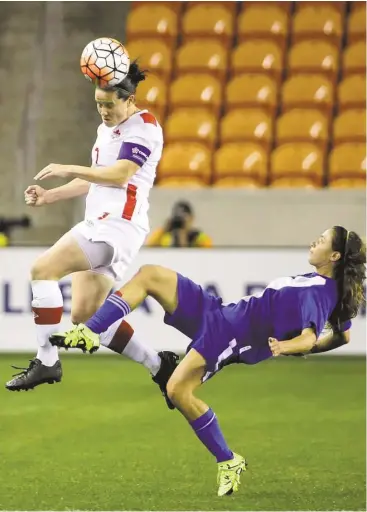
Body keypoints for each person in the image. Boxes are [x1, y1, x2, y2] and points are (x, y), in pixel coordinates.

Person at [49, 226, 365, 496]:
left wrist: (287, 347)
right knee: (150, 276)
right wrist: (301, 347)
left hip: (233, 335)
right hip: (220, 313)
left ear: (334, 256)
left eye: (322, 240)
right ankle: (89, 332)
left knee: (177, 391)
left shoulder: (319, 292)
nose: (315, 241)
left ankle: (227, 459)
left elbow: (309, 337)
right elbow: (342, 337)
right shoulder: (323, 285)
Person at [5, 60, 179, 406]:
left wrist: (67, 166)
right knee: (86, 315)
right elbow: (94, 177)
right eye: (99, 104)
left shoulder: (144, 126)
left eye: (110, 104)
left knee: (43, 270)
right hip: (102, 223)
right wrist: (51, 195)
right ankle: (159, 364)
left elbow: (119, 175)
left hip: (116, 225)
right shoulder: (107, 130)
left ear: (129, 100)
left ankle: (47, 361)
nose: (103, 110)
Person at [146, 200, 212, 248]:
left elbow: (208, 255)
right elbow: (149, 247)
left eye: (183, 218)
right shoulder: (166, 237)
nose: (180, 221)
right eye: (177, 218)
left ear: (192, 218)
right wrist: (164, 229)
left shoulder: (199, 237)